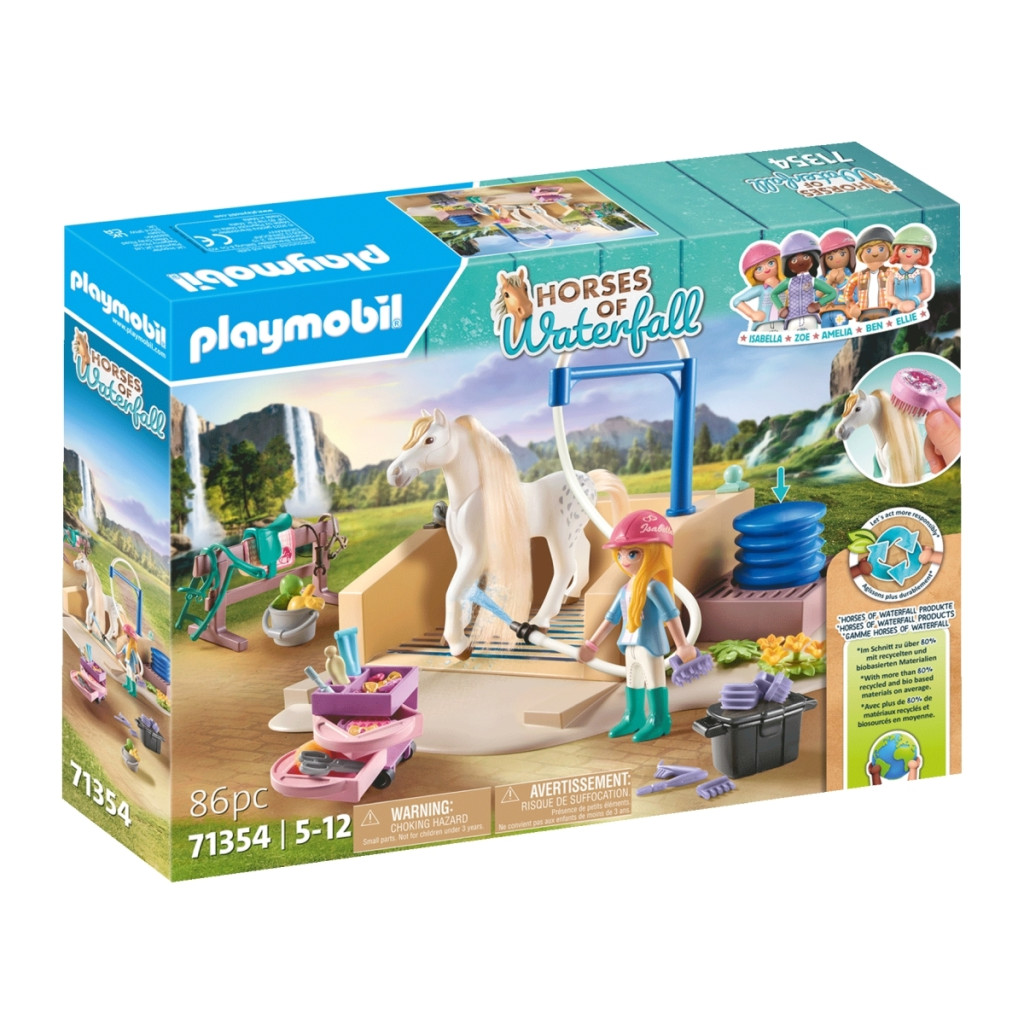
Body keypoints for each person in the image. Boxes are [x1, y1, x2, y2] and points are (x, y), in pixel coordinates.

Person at [578, 510, 698, 742]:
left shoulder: (654, 588)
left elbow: (671, 615)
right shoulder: (625, 589)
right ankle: (634, 716)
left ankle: (659, 720)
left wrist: (683, 645)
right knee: (633, 680)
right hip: (629, 644)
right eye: (620, 554)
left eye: (632, 553)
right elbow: (611, 618)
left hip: (649, 645)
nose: (624, 560)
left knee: (654, 681)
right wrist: (592, 644)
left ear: (654, 553)